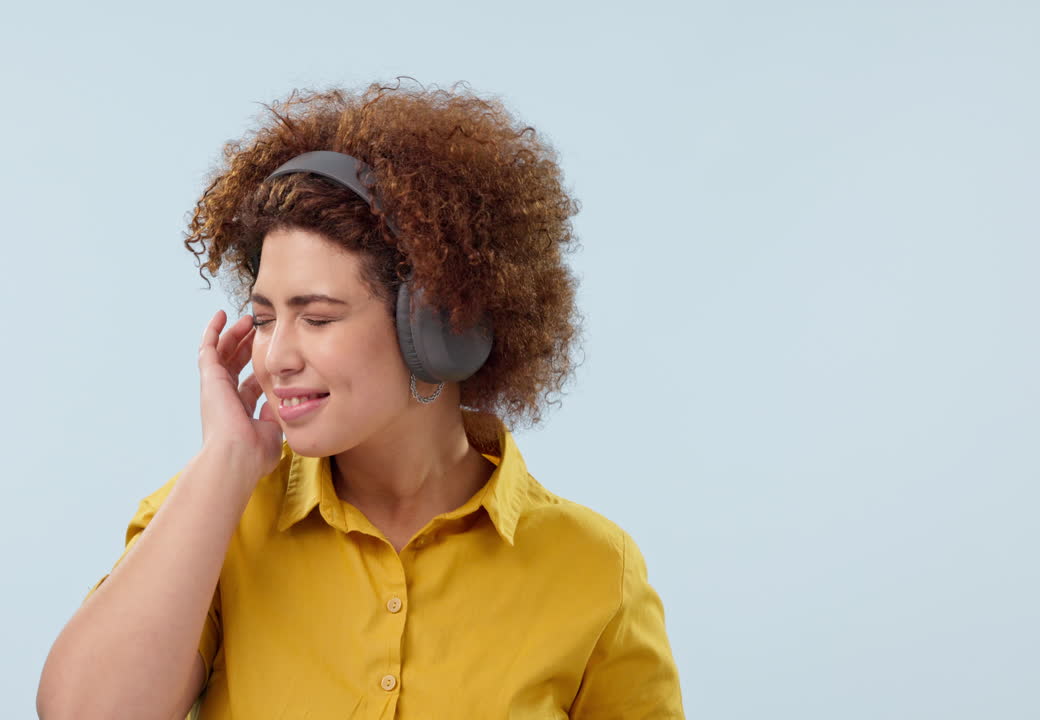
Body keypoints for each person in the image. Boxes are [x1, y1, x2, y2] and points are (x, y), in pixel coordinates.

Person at [37, 78, 685, 719]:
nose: (276, 357)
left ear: (441, 327)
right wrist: (226, 462)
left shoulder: (595, 568)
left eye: (317, 318)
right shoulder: (213, 521)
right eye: (263, 319)